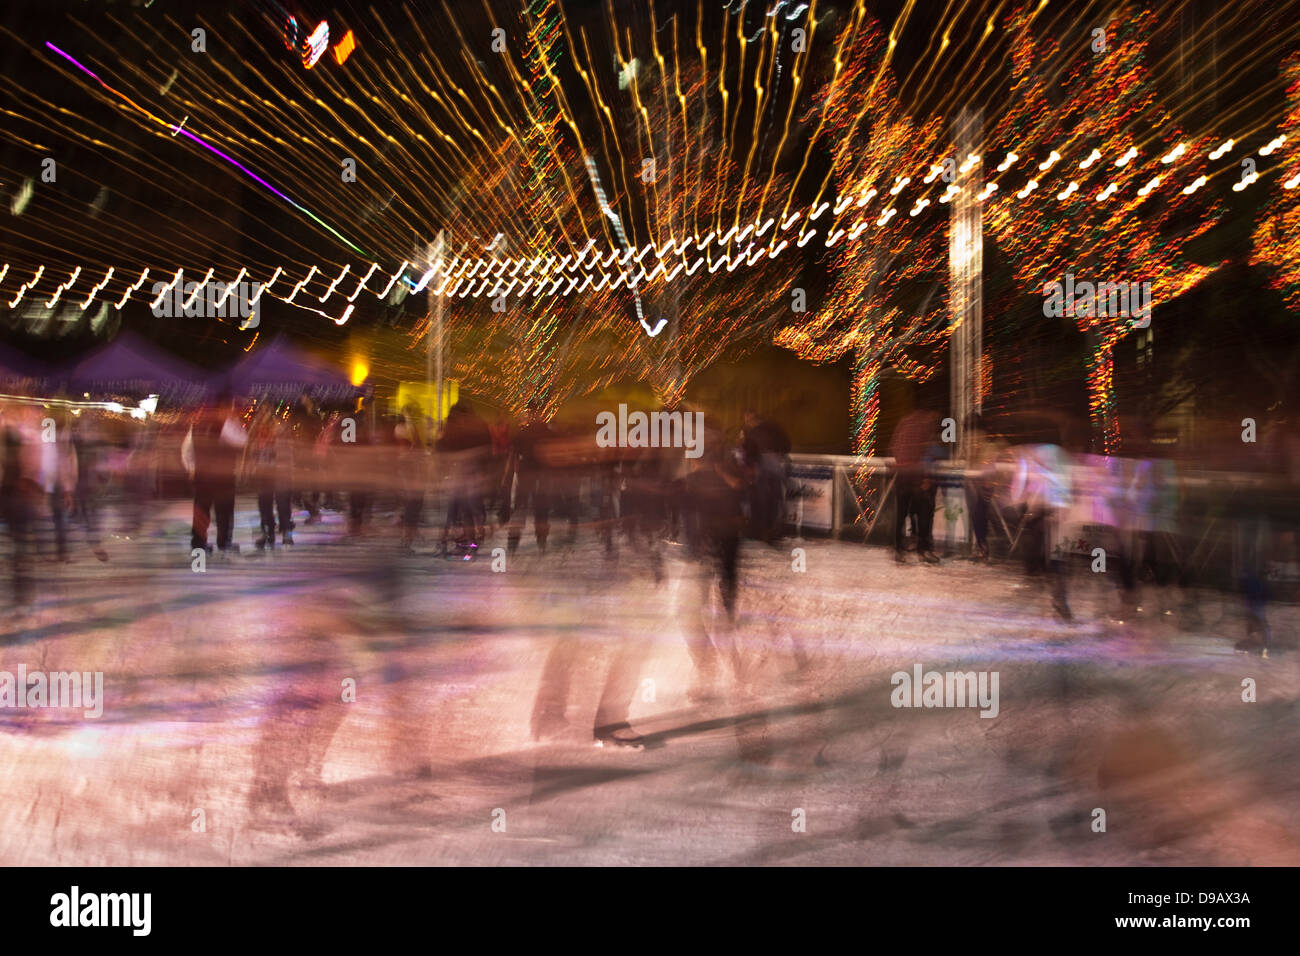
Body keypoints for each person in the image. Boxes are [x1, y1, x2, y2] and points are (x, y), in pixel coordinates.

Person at [182, 393, 247, 555]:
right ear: (225, 407)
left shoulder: (197, 424)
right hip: (222, 477)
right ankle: (224, 543)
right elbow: (242, 440)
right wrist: (235, 421)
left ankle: (198, 544)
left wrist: (191, 468)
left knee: (201, 511)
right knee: (224, 511)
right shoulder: (226, 424)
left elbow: (186, 450)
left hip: (201, 476)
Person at [890, 408, 941, 564]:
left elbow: (894, 447)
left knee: (902, 514)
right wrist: (925, 477)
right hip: (916, 478)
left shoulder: (903, 424)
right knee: (924, 514)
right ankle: (923, 549)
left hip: (902, 476)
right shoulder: (924, 426)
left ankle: (899, 549)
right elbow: (928, 453)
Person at [507, 400, 553, 555]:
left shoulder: (522, 433)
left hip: (526, 476)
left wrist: (512, 473)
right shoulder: (547, 432)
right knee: (541, 510)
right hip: (542, 476)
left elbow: (514, 455)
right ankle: (541, 541)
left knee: (520, 509)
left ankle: (513, 543)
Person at [741, 409, 791, 543]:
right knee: (776, 496)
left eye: (747, 419)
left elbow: (747, 449)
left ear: (750, 418)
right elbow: (786, 444)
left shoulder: (753, 431)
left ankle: (760, 529)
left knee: (759, 497)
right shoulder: (774, 428)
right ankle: (774, 528)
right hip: (778, 462)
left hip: (762, 463)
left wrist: (749, 465)